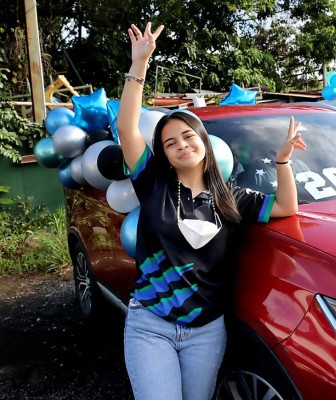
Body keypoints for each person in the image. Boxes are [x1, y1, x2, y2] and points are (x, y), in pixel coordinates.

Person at [116, 22, 306, 400]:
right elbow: (126, 128)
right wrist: (140, 66)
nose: (181, 145)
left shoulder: (231, 196)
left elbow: (286, 206)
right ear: (165, 156)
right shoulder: (154, 184)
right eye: (170, 143)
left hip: (206, 330)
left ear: (203, 141)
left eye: (188, 136)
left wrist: (282, 163)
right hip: (151, 325)